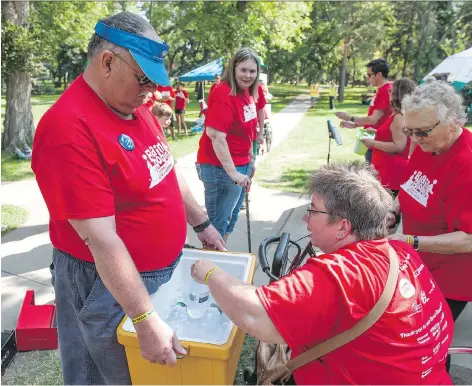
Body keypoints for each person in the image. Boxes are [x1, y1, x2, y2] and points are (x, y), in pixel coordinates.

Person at [31, 12, 225, 385]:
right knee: (102, 377)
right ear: (107, 61)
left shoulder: (135, 107)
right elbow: (102, 240)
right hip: (102, 285)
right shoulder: (68, 128)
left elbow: (166, 170)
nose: (150, 90)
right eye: (143, 79)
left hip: (150, 275)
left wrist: (202, 224)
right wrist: (143, 317)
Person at [191, 161, 454, 384]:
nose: (305, 219)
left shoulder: (344, 273)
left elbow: (255, 316)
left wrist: (209, 272)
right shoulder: (400, 251)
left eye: (312, 211)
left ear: (342, 227)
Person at [388, 79, 472, 333]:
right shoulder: (426, 144)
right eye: (410, 131)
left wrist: (411, 241)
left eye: (422, 132)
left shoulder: (466, 164)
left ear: (454, 121)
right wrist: (393, 211)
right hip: (419, 261)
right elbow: (411, 186)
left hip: (450, 276)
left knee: (423, 336)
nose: (416, 139)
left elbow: (469, 238)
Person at [196, 47, 263, 241]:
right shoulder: (223, 93)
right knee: (217, 225)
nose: (248, 75)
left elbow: (247, 129)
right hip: (220, 168)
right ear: (233, 68)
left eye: (252, 71)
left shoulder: (247, 92)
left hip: (241, 164)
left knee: (231, 219)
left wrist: (250, 158)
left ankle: (223, 258)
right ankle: (212, 265)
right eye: (243, 70)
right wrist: (233, 172)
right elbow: (216, 135)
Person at [360, 78, 416, 197]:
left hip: (392, 174)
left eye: (391, 91)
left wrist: (373, 143)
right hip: (384, 171)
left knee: (387, 212)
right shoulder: (395, 114)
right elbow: (391, 134)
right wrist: (376, 132)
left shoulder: (399, 118)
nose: (389, 93)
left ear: (398, 95)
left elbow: (399, 146)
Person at [337, 59, 392, 163]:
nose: (368, 78)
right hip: (373, 141)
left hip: (378, 143)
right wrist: (355, 124)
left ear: (379, 74)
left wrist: (350, 118)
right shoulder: (382, 90)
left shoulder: (385, 91)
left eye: (369, 75)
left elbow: (373, 120)